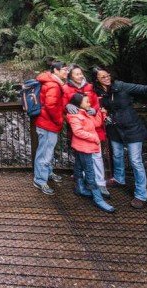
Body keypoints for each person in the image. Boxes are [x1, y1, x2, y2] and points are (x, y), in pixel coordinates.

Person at [93, 67, 147, 209]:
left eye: (108, 75)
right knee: (117, 155)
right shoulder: (97, 92)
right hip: (114, 128)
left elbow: (141, 88)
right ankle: (119, 178)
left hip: (132, 127)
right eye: (103, 77)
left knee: (135, 161)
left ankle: (141, 195)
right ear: (97, 79)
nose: (107, 78)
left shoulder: (121, 86)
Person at [62, 65, 109, 198]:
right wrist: (67, 106)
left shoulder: (89, 87)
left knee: (97, 156)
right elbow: (62, 105)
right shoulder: (66, 88)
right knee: (82, 158)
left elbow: (95, 102)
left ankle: (100, 183)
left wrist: (95, 109)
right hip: (79, 127)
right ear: (71, 76)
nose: (80, 76)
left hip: (93, 125)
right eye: (77, 74)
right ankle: (85, 183)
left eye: (81, 73)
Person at [65, 93, 114, 213]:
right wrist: (94, 138)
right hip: (85, 147)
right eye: (86, 102)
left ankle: (80, 188)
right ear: (79, 104)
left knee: (79, 166)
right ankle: (98, 198)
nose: (89, 103)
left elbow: (95, 124)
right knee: (90, 172)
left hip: (84, 146)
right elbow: (78, 132)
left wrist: (100, 113)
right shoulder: (75, 116)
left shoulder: (85, 113)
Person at [32, 61, 69, 195]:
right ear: (55, 70)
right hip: (48, 123)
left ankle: (47, 173)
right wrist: (59, 120)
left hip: (46, 122)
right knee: (44, 153)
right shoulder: (53, 85)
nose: (66, 72)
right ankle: (40, 180)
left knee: (47, 151)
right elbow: (51, 106)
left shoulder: (51, 82)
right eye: (64, 69)